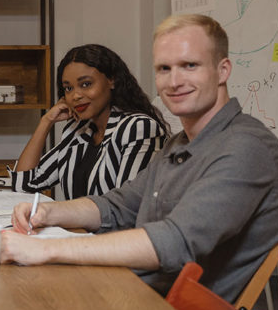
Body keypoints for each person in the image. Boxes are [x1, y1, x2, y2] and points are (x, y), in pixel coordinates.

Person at [1, 14, 278, 301]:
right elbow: (118, 205)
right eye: (164, 69)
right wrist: (49, 213)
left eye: (189, 65)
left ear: (223, 70)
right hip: (133, 291)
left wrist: (46, 250)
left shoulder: (245, 147)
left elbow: (175, 243)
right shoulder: (181, 144)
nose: (174, 81)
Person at [12, 44, 167, 199]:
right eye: (68, 88)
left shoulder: (138, 128)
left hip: (111, 223)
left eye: (86, 84)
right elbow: (24, 184)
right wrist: (46, 121)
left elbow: (126, 206)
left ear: (112, 80)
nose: (75, 96)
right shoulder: (78, 130)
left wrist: (59, 213)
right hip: (75, 222)